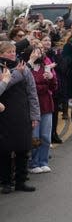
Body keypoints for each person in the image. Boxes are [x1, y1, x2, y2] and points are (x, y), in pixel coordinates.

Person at [0, 42, 40, 194]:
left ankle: (21, 181)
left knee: (23, 149)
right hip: (3, 116)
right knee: (4, 151)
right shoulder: (19, 70)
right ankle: (5, 182)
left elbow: (32, 93)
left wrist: (35, 115)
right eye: (9, 52)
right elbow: (4, 84)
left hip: (22, 114)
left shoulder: (23, 67)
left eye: (13, 51)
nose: (12, 54)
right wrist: (19, 73)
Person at [24, 43, 58, 174]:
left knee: (45, 136)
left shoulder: (46, 67)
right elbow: (27, 87)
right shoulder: (26, 67)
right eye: (35, 52)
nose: (38, 54)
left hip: (46, 104)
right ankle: (33, 162)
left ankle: (43, 161)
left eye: (39, 52)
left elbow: (54, 87)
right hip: (32, 106)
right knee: (34, 136)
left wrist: (51, 78)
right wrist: (43, 86)